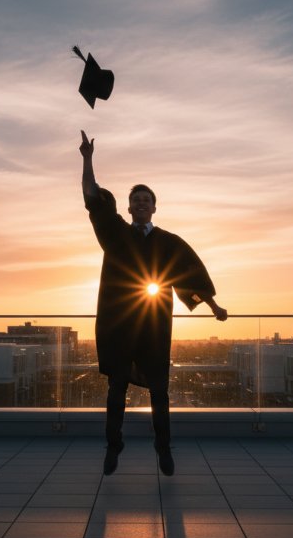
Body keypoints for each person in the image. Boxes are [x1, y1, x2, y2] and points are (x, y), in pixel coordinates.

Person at [80, 130, 228, 476]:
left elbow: (191, 276)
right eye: (137, 200)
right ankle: (113, 446)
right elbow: (92, 199)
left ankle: (163, 449)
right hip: (120, 325)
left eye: (147, 200)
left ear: (154, 207)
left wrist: (214, 308)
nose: (142, 204)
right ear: (129, 208)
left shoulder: (168, 243)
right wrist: (87, 159)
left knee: (159, 393)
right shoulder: (116, 235)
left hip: (154, 327)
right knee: (116, 391)